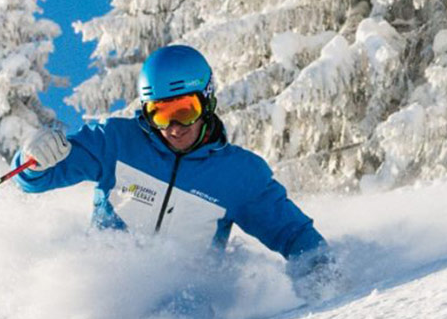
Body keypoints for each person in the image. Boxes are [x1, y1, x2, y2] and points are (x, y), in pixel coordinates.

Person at [17, 44, 335, 294]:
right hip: (105, 287)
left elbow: (292, 234)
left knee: (185, 311)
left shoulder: (239, 175)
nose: (173, 127)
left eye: (185, 111)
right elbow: (35, 179)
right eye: (160, 113)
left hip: (183, 296)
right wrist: (33, 160)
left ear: (207, 103)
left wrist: (323, 274)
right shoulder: (114, 143)